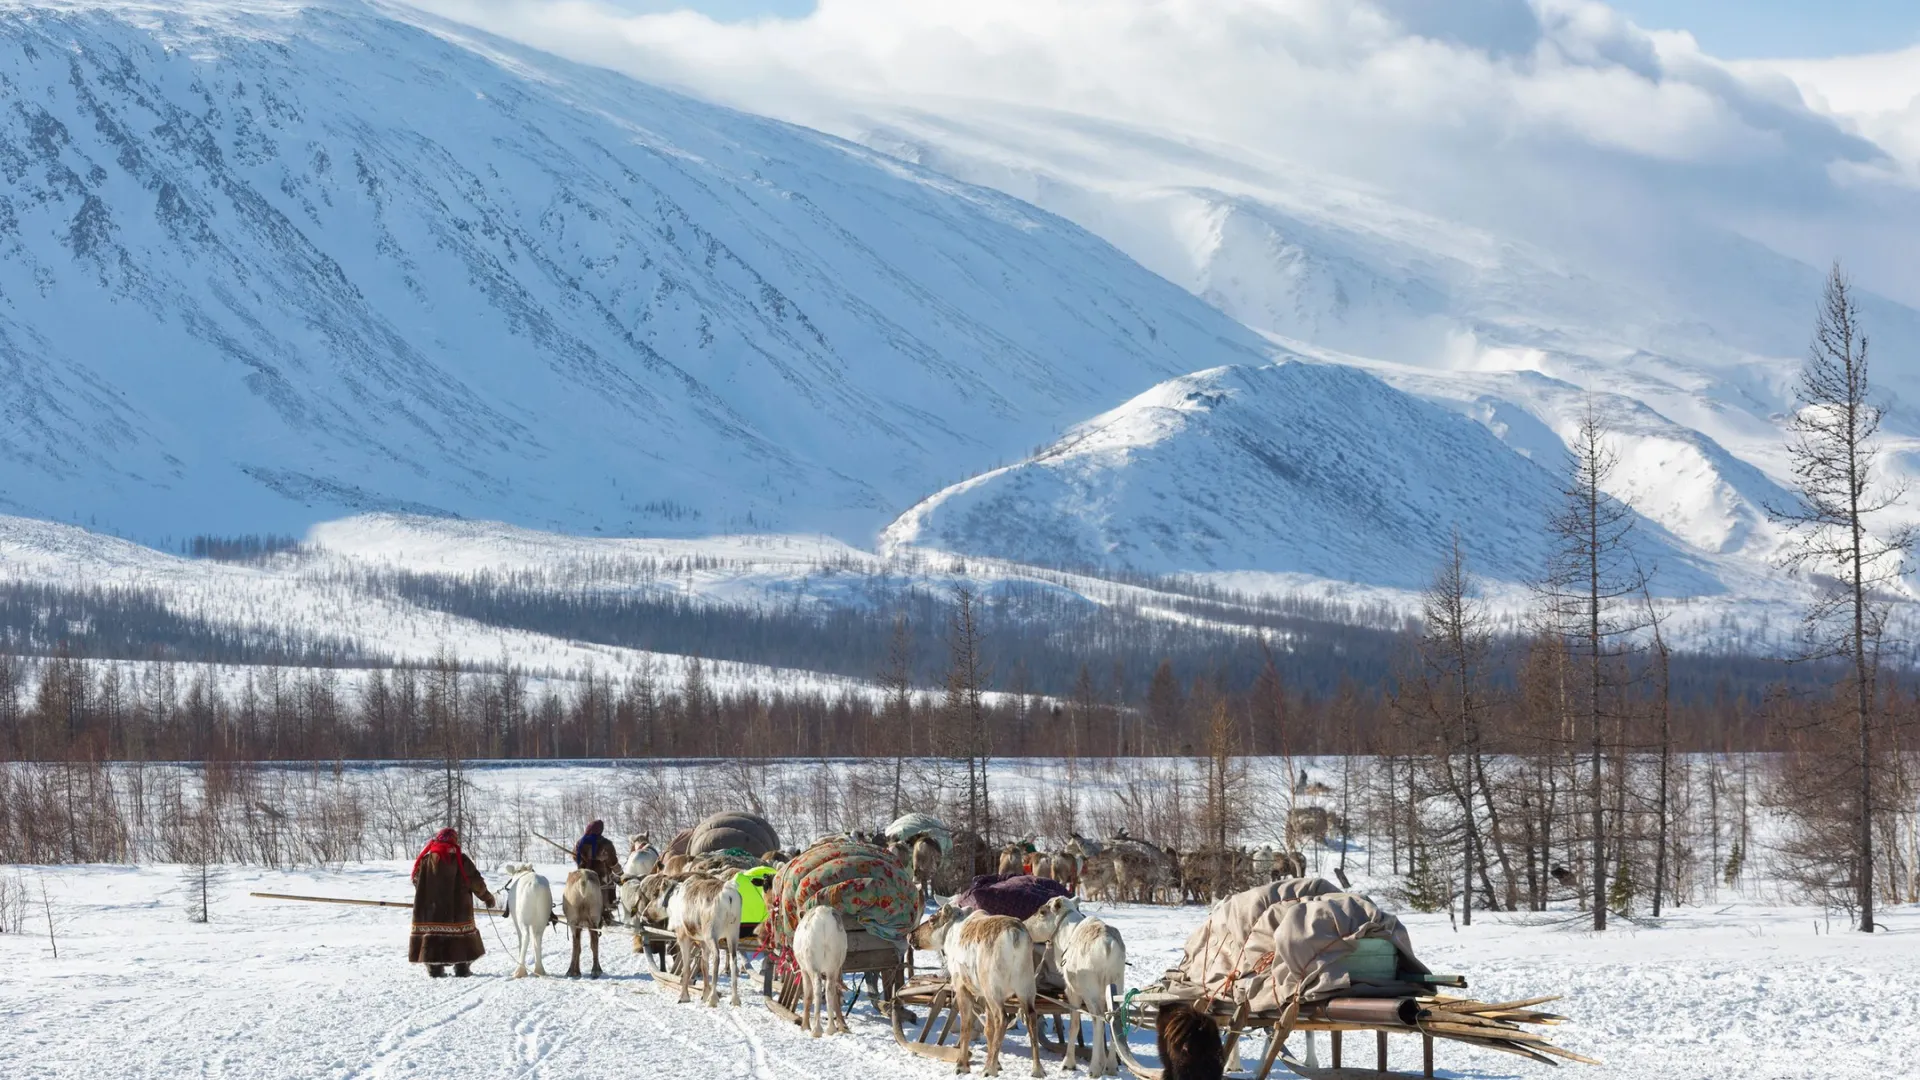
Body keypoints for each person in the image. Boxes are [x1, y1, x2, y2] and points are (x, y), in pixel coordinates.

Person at [409, 827, 493, 978]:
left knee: (432, 935)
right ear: (454, 840)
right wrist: (487, 897)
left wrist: (428, 894)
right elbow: (475, 881)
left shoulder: (426, 860)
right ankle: (462, 968)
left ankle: (435, 968)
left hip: (431, 910)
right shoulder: (461, 859)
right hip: (458, 910)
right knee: (460, 936)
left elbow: (416, 879)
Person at [574, 819, 620, 926]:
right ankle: (606, 911)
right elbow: (613, 862)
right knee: (609, 881)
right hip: (601, 875)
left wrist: (584, 859)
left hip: (584, 874)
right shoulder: (607, 844)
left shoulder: (580, 842)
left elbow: (574, 856)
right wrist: (620, 873)